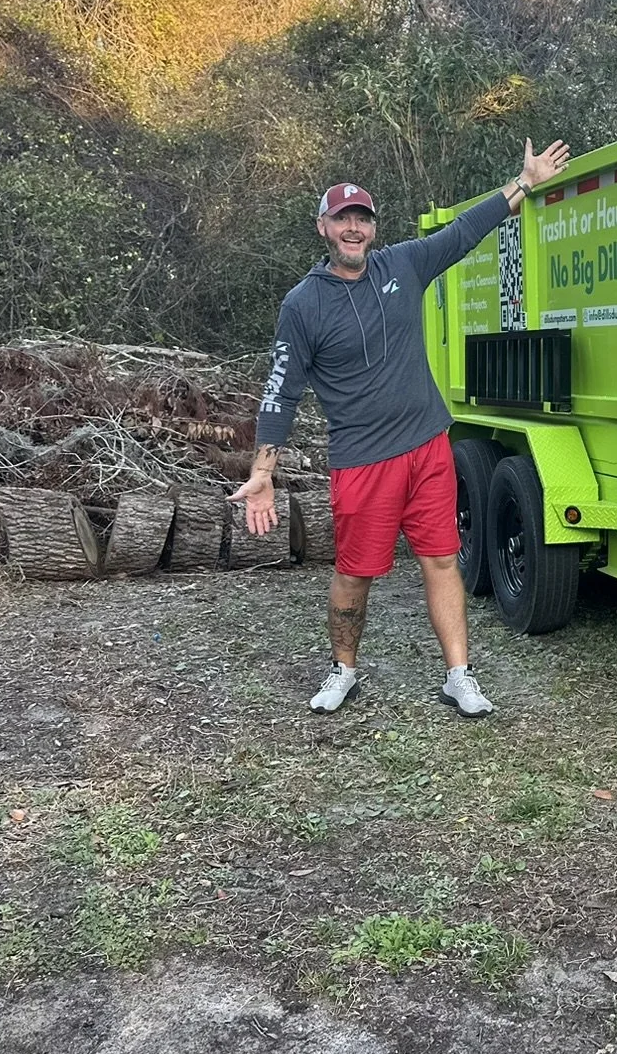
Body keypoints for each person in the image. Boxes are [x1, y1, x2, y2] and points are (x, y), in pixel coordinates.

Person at [232, 141, 570, 716]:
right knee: (355, 573)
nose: (354, 228)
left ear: (372, 228)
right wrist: (263, 472)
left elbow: (465, 232)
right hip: (363, 463)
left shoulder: (403, 265)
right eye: (343, 219)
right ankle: (343, 671)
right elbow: (280, 391)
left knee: (441, 560)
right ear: (323, 228)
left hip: (428, 448)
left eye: (362, 219)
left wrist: (525, 183)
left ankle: (459, 676)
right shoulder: (303, 305)